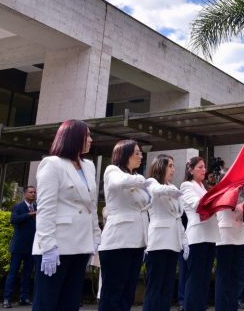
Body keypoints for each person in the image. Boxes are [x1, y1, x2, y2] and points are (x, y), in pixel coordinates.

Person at [32, 119, 101, 311]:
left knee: (70, 302)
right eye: (87, 135)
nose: (90, 140)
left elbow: (91, 205)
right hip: (57, 245)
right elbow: (46, 208)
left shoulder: (89, 166)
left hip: (81, 244)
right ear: (73, 137)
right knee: (47, 301)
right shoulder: (52, 164)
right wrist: (47, 247)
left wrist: (96, 238)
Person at [98, 139, 148, 311]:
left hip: (137, 241)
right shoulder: (112, 170)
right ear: (124, 154)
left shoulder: (135, 178)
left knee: (127, 293)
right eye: (137, 153)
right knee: (113, 293)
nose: (141, 156)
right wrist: (141, 179)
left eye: (141, 153)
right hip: (118, 241)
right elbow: (118, 183)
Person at [143, 154, 188, 311]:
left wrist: (185, 242)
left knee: (167, 289)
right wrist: (172, 190)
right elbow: (156, 190)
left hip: (173, 243)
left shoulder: (173, 188)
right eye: (170, 166)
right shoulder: (151, 182)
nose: (173, 170)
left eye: (173, 166)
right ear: (160, 166)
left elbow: (178, 218)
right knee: (154, 287)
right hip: (158, 242)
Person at [181, 157, 219, 311]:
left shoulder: (203, 187)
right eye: (200, 167)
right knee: (195, 279)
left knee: (204, 280)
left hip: (209, 235)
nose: (204, 170)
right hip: (197, 237)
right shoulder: (186, 185)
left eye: (204, 167)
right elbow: (198, 204)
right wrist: (217, 197)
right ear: (191, 170)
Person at [216, 180, 244, 311]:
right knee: (223, 277)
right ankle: (222, 307)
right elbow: (231, 205)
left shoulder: (240, 194)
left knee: (236, 276)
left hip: (239, 237)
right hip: (225, 238)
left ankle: (233, 306)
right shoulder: (222, 192)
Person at [3, 186, 37, 308]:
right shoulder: (19, 207)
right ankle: (7, 299)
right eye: (30, 192)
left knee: (27, 274)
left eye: (34, 192)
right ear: (25, 194)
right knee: (13, 273)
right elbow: (14, 219)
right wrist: (30, 214)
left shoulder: (37, 207)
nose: (33, 194)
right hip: (18, 247)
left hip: (31, 247)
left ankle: (24, 297)